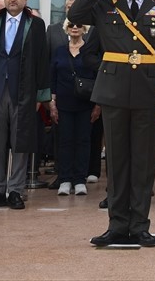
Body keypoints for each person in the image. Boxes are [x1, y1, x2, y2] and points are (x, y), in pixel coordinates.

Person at [68, 0, 155, 248]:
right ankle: (117, 225)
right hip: (114, 91)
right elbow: (76, 12)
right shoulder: (105, 3)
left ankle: (140, 225)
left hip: (147, 90)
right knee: (116, 162)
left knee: (143, 163)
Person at [0, 0, 50, 211]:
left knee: (20, 141)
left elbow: (42, 60)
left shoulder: (35, 25)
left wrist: (40, 95)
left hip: (23, 91)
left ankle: (16, 190)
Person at [51, 18, 100, 197]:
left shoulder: (91, 51)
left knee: (83, 141)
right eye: (71, 25)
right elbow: (53, 78)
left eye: (79, 25)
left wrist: (97, 105)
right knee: (64, 142)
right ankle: (64, 179)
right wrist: (52, 103)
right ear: (66, 28)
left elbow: (98, 78)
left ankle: (80, 179)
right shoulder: (59, 51)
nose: (75, 28)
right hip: (63, 104)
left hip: (86, 104)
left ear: (84, 29)